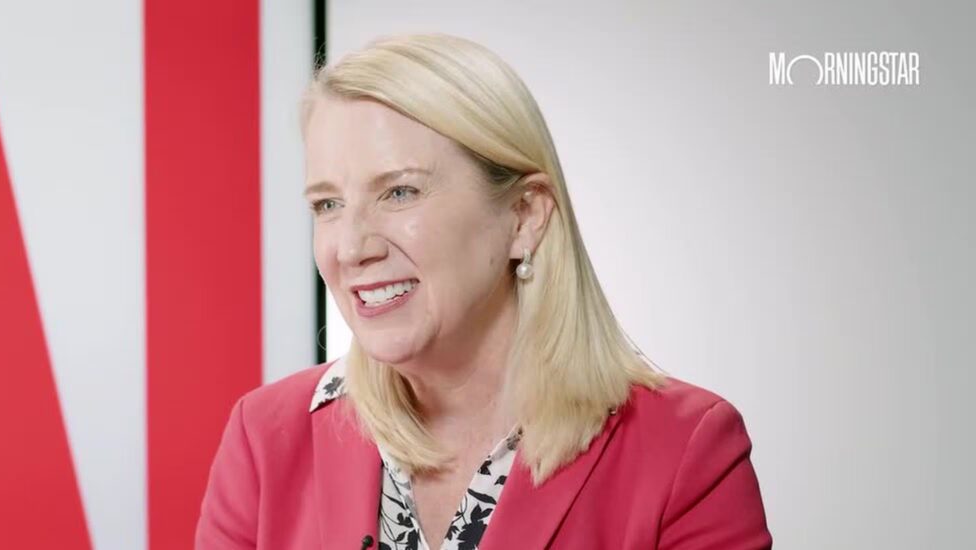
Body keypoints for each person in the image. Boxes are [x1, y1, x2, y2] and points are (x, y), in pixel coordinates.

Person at [195, 32, 772, 549]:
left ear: (524, 215)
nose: (350, 248)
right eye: (328, 204)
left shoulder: (686, 452)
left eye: (399, 193)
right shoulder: (265, 436)